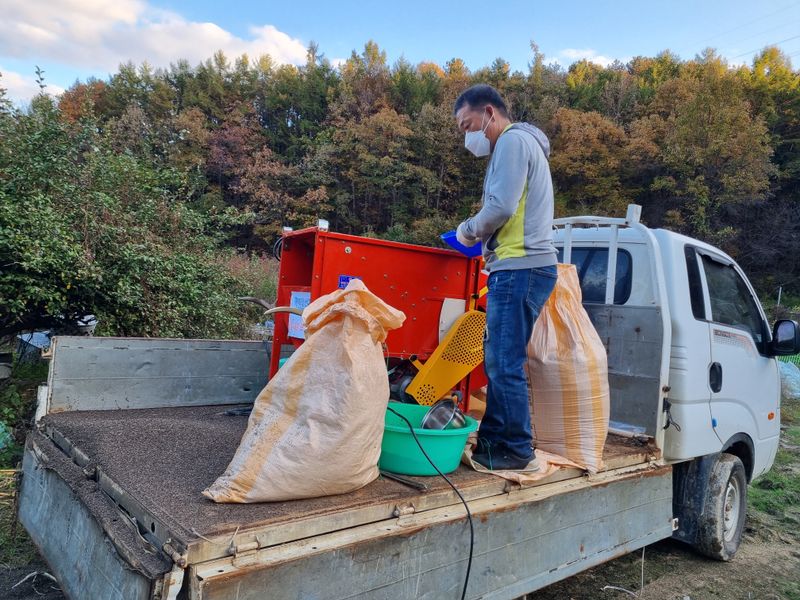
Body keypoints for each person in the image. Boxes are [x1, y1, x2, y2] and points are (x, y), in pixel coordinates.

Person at [454, 84, 558, 471]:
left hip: (521, 267)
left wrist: (467, 230)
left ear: (489, 114)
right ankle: (494, 444)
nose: (468, 136)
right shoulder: (520, 146)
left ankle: (517, 450)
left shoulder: (513, 142)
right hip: (518, 266)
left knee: (504, 363)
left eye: (469, 125)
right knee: (500, 360)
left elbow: (500, 207)